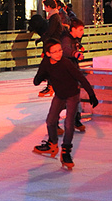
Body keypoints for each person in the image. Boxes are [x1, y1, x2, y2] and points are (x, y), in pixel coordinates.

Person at [32, 38, 99, 169]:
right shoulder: (46, 63)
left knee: (69, 124)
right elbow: (37, 79)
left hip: (72, 95)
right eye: (55, 51)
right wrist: (40, 78)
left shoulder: (66, 63)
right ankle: (52, 144)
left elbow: (80, 77)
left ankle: (66, 151)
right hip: (59, 95)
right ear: (48, 54)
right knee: (51, 121)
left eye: (60, 50)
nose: (58, 53)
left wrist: (92, 94)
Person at [60, 19, 87, 131]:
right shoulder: (66, 39)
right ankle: (54, 120)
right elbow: (65, 50)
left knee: (75, 96)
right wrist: (75, 53)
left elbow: (74, 43)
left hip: (73, 71)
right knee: (64, 98)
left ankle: (76, 119)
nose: (82, 32)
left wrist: (79, 47)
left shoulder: (72, 38)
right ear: (73, 29)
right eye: (80, 30)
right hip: (67, 72)